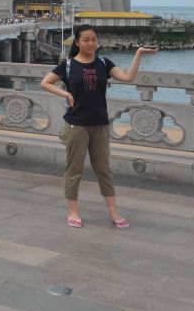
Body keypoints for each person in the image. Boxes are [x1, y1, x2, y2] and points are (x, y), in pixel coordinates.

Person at [40, 24, 157, 228]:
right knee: (74, 169)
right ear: (77, 42)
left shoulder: (103, 63)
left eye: (94, 39)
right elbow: (45, 82)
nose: (91, 43)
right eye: (86, 39)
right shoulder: (67, 65)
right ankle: (73, 211)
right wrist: (66, 93)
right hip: (76, 125)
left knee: (103, 170)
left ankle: (113, 212)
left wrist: (138, 54)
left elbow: (128, 77)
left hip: (100, 124)